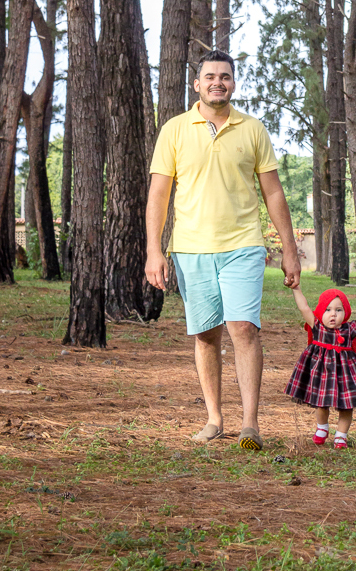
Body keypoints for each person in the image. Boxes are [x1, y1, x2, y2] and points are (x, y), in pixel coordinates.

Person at [145, 50, 301, 452]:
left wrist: (288, 248)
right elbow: (159, 195)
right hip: (191, 248)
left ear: (234, 83)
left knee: (244, 328)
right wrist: (153, 250)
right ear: (196, 84)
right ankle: (214, 418)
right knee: (205, 335)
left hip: (244, 245)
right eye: (210, 76)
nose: (218, 82)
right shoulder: (175, 130)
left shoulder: (252, 129)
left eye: (225, 76)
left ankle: (250, 423)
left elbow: (273, 192)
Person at [285, 287, 356, 449]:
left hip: (346, 374)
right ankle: (322, 427)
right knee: (321, 402)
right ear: (321, 311)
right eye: (328, 310)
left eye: (338, 310)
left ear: (346, 312)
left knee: (347, 405)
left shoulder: (349, 329)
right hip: (323, 373)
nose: (333, 314)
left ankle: (341, 436)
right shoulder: (317, 326)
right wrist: (296, 289)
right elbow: (303, 307)